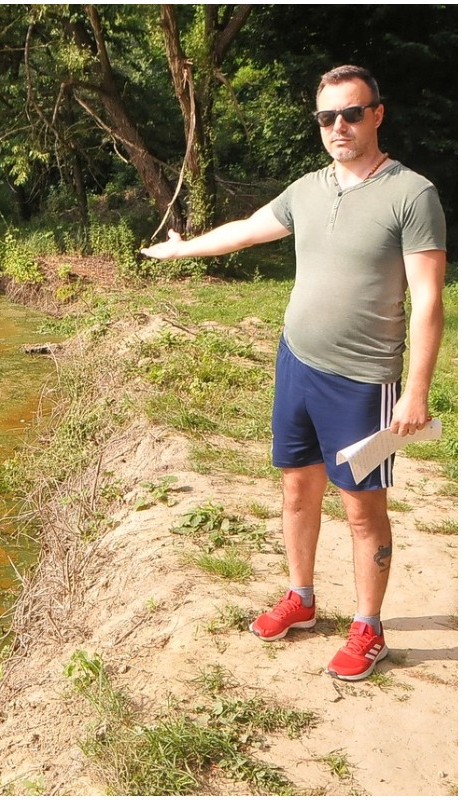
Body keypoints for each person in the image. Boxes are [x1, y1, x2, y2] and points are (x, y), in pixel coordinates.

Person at [141, 65, 447, 681]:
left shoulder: (412, 194)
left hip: (363, 381)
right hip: (296, 364)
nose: (339, 126)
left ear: (377, 114)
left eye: (352, 113)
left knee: (362, 509)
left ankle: (369, 627)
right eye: (327, 117)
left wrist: (416, 390)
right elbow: (249, 231)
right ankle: (302, 599)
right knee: (295, 487)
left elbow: (429, 300)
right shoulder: (308, 189)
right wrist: (181, 249)